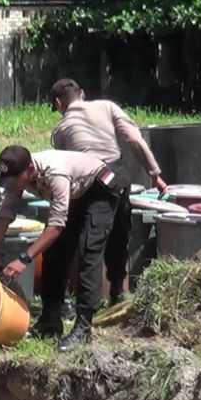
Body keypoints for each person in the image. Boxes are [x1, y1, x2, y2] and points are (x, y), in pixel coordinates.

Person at [0, 147, 124, 351]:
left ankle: (84, 327)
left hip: (99, 190)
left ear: (30, 169)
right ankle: (50, 320)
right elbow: (3, 218)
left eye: (15, 180)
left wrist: (25, 258)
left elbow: (56, 226)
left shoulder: (55, 173)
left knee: (88, 252)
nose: (12, 185)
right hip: (75, 194)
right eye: (9, 181)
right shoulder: (19, 177)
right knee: (54, 254)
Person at [50, 78, 168, 305]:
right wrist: (154, 173)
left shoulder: (60, 130)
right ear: (82, 94)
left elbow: (66, 168)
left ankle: (77, 301)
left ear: (58, 103)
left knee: (83, 239)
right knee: (119, 233)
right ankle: (117, 290)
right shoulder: (107, 106)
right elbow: (134, 139)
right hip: (116, 176)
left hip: (87, 179)